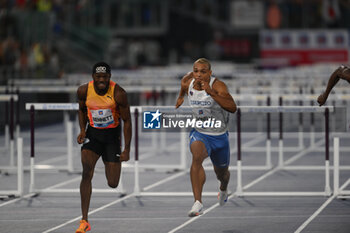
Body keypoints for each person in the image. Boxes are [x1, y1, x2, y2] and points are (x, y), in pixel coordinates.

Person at [175, 58, 237, 217]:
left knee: (222, 174)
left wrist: (211, 93)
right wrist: (181, 97)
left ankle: (223, 188)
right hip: (200, 132)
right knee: (196, 157)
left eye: (203, 71)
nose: (199, 75)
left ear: (210, 72)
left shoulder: (218, 85)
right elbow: (183, 87)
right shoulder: (188, 80)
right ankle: (198, 202)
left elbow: (232, 107)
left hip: (219, 136)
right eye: (196, 71)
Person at [75, 62, 132, 233]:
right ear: (93, 77)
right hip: (93, 136)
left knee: (113, 183)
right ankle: (84, 220)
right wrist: (82, 130)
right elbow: (81, 110)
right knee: (86, 171)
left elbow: (127, 121)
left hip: (111, 139)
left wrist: (127, 149)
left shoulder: (119, 93)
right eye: (98, 77)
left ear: (109, 77)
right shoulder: (83, 91)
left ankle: (111, 164)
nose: (101, 80)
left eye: (105, 77)